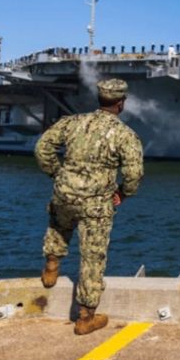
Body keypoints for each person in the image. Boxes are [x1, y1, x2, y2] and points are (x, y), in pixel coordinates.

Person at [35, 78, 144, 335]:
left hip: (65, 193)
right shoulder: (125, 134)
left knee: (58, 225)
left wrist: (58, 174)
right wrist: (123, 194)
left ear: (100, 99)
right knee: (92, 257)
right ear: (121, 103)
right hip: (96, 203)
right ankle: (86, 318)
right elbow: (134, 174)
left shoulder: (71, 122)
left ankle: (51, 267)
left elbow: (42, 149)